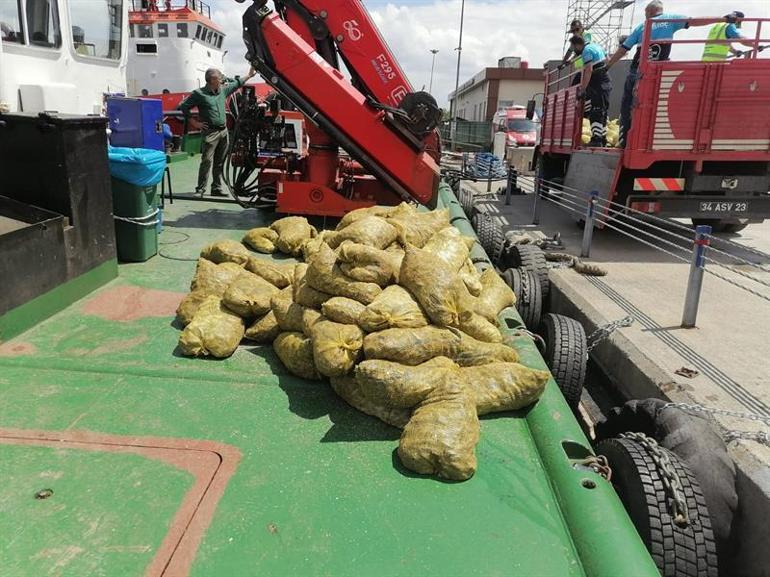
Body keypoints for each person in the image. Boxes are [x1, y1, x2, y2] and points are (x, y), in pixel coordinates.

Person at [606, 1, 717, 147]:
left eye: (646, 13)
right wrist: (721, 19)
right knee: (654, 106)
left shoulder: (642, 26)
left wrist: (608, 66)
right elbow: (695, 21)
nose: (646, 17)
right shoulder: (671, 20)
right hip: (658, 72)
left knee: (628, 106)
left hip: (637, 71)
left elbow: (623, 49)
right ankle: (648, 141)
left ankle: (625, 141)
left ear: (651, 11)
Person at [178, 66, 257, 197]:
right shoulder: (199, 94)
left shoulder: (222, 90)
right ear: (211, 80)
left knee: (220, 161)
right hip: (210, 133)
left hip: (223, 131)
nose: (221, 80)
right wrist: (194, 123)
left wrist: (249, 75)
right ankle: (200, 189)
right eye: (218, 78)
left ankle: (216, 188)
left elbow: (237, 83)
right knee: (207, 161)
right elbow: (184, 107)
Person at [570, 35, 611, 147]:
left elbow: (588, 70)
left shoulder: (586, 51)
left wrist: (583, 89)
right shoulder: (596, 46)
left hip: (597, 82)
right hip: (605, 79)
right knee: (602, 111)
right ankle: (602, 139)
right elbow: (608, 60)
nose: (574, 50)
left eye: (574, 47)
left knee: (596, 111)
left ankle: (596, 139)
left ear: (578, 45)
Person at [562, 20, 593, 85]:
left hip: (588, 64)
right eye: (573, 31)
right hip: (581, 67)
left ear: (581, 28)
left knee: (576, 86)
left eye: (577, 29)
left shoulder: (586, 35)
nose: (575, 32)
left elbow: (583, 51)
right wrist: (563, 62)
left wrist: (571, 60)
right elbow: (570, 50)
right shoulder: (575, 39)